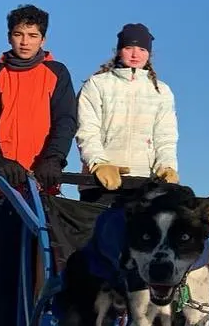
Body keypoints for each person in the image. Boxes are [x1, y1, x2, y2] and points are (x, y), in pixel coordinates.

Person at [0, 3, 78, 326]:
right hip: (1, 186)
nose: (25, 41)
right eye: (19, 35)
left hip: (42, 186)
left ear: (43, 38)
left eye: (32, 35)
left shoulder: (56, 74)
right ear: (9, 37)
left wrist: (53, 160)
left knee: (45, 263)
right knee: (4, 266)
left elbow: (65, 121)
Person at [75, 23, 180, 207]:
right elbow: (87, 130)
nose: (135, 54)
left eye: (141, 49)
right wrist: (98, 163)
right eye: (128, 48)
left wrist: (167, 167)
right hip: (100, 182)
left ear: (149, 53)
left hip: (144, 184)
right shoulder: (97, 84)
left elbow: (165, 137)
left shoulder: (161, 91)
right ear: (118, 50)